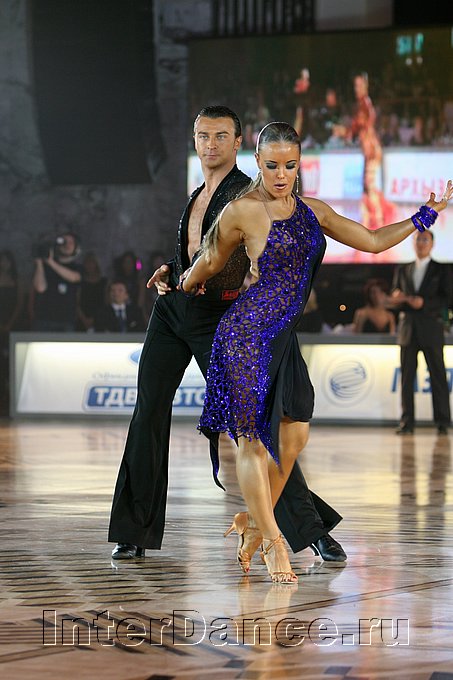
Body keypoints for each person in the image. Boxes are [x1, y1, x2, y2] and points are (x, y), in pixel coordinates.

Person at [181, 122, 452, 583]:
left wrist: (424, 216)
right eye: (271, 165)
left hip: (283, 339)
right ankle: (273, 544)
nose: (280, 174)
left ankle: (253, 525)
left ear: (299, 164)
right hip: (245, 336)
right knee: (251, 442)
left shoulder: (314, 212)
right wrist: (183, 282)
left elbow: (371, 241)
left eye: (289, 165)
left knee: (294, 437)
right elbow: (209, 259)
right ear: (257, 162)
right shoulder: (241, 210)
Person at [108, 106, 346, 564]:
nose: (210, 144)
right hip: (172, 311)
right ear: (194, 140)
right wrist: (172, 270)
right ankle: (132, 531)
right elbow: (198, 252)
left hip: (220, 316)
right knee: (148, 413)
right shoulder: (198, 192)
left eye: (220, 136)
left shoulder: (248, 192)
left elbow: (235, 256)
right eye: (203, 135)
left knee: (253, 431)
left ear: (239, 143)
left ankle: (309, 529)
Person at [390, 230, 452, 435]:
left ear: (432, 244)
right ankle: (407, 422)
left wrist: (424, 303)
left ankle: (443, 421)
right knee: (407, 378)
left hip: (431, 328)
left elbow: (447, 298)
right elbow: (394, 297)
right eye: (418, 239)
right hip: (408, 329)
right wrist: (399, 298)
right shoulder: (403, 269)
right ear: (413, 243)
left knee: (438, 376)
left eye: (425, 240)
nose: (421, 243)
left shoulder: (441, 269)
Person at [31, 232, 82, 331]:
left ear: (76, 247)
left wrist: (51, 262)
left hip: (66, 320)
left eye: (71, 242)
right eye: (64, 241)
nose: (67, 244)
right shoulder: (45, 267)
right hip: (43, 319)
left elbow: (74, 277)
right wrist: (39, 263)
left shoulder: (77, 267)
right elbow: (40, 288)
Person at [76, 251, 108, 331]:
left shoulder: (104, 282)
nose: (90, 266)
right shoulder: (80, 282)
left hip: (100, 319)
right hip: (82, 319)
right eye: (87, 263)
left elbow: (106, 302)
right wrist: (83, 318)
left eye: (92, 263)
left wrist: (95, 318)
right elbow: (76, 302)